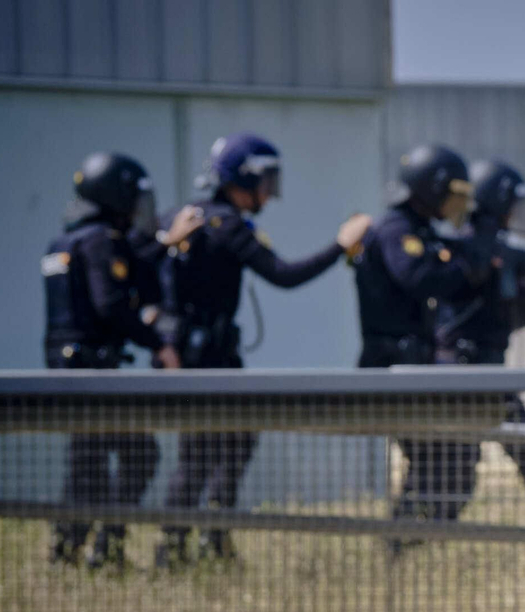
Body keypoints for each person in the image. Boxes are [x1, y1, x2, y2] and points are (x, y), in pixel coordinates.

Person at [153, 132, 372, 568]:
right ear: (244, 178)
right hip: (208, 359)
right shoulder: (225, 224)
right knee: (205, 452)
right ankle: (178, 547)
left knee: (227, 443)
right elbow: (283, 275)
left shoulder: (180, 217)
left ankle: (200, 542)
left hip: (198, 355)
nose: (269, 194)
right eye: (266, 181)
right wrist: (340, 246)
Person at [43, 152, 196, 569]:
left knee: (87, 464)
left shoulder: (67, 240)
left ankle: (67, 550)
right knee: (139, 453)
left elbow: (130, 270)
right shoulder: (98, 241)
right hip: (91, 371)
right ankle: (105, 547)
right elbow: (110, 304)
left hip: (70, 369)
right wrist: (157, 342)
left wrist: (163, 245)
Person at [352, 144, 492, 540]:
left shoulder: (421, 231)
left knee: (446, 463)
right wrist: (469, 270)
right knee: (441, 462)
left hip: (412, 367)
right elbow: (421, 279)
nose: (456, 204)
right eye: (452, 193)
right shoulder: (396, 230)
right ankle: (401, 545)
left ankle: (407, 547)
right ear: (431, 189)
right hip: (393, 368)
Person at [432, 158, 525, 527]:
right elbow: (486, 307)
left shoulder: (491, 248)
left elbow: (504, 310)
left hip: (481, 375)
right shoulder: (474, 250)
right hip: (467, 376)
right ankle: (401, 542)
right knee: (452, 475)